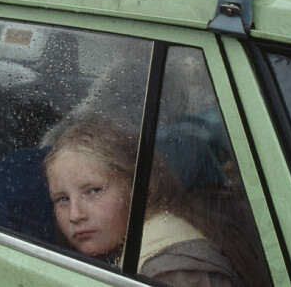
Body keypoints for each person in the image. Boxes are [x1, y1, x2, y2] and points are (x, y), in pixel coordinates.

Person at [43, 117, 244, 287]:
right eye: (62, 199)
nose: (75, 215)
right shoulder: (143, 240)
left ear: (136, 186)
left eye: (94, 191)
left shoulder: (169, 272)